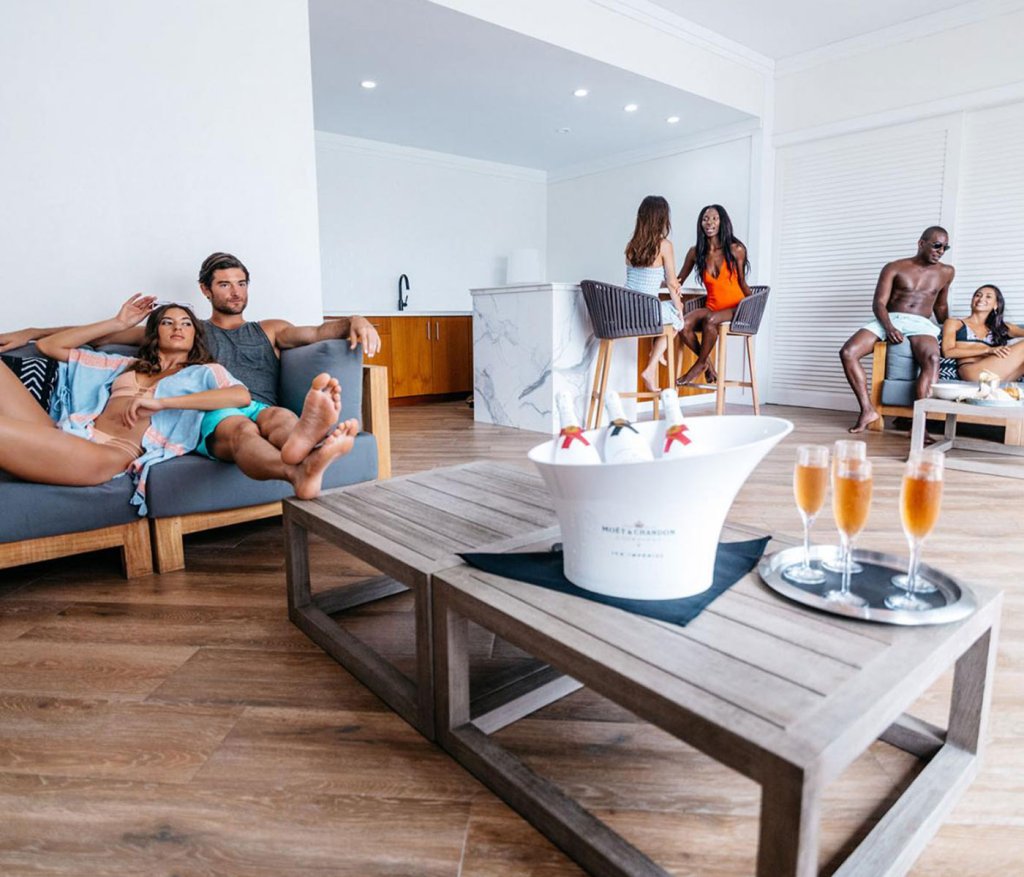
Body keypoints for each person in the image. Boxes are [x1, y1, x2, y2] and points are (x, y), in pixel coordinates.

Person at [0, 252, 378, 499]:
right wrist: (33, 333)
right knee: (241, 428)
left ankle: (302, 444)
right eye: (225, 284)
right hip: (210, 415)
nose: (235, 292)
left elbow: (315, 333)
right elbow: (99, 337)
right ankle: (302, 452)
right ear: (206, 290)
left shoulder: (259, 336)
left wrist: (355, 319)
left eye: (242, 283)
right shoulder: (176, 338)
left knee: (275, 416)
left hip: (245, 406)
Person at [0, 296, 251, 513]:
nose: (178, 327)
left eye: (186, 323)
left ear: (195, 335)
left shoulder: (204, 373)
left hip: (108, 453)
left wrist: (162, 402)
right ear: (154, 332)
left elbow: (240, 396)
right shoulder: (124, 365)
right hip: (72, 432)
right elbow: (48, 346)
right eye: (167, 322)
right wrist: (118, 322)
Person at [839, 227, 954, 432]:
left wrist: (951, 329)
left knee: (933, 359)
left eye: (945, 247)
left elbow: (940, 306)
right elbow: (879, 303)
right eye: (937, 245)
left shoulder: (947, 272)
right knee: (848, 352)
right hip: (890, 318)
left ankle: (920, 427)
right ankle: (867, 410)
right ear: (921, 243)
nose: (941, 251)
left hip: (920, 322)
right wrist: (889, 327)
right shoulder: (894, 267)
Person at [674, 204, 752, 387]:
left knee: (710, 321)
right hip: (712, 307)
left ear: (722, 221)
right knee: (682, 324)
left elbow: (742, 281)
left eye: (714, 218)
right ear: (700, 223)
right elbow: (679, 280)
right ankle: (706, 365)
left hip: (735, 306)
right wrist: (656, 281)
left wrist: (752, 305)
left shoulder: (736, 249)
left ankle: (699, 365)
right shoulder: (695, 253)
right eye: (705, 219)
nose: (709, 222)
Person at [624, 196, 684, 393]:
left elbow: (638, 281)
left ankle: (657, 350)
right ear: (662, 219)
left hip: (627, 310)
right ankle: (651, 365)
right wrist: (680, 308)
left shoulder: (631, 246)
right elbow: (672, 283)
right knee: (676, 321)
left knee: (661, 317)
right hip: (648, 310)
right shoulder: (664, 245)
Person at [939, 284, 1024, 382]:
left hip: (998, 372)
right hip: (972, 371)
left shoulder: (1001, 327)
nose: (981, 299)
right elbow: (948, 352)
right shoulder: (954, 323)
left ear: (996, 305)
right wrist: (988, 350)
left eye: (988, 296)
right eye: (978, 295)